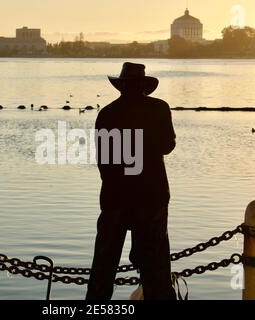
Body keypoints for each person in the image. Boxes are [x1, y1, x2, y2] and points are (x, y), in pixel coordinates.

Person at [86, 62, 176, 300]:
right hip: (152, 196)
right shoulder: (159, 108)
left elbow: (103, 161)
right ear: (144, 86)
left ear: (121, 86)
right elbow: (168, 146)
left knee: (104, 265)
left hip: (115, 197)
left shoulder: (106, 113)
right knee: (155, 266)